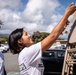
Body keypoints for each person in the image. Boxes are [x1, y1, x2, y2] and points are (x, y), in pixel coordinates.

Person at [8, 3, 76, 75]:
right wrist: (67, 14)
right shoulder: (27, 52)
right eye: (26, 34)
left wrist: (63, 26)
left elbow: (50, 42)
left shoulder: (24, 53)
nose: (29, 35)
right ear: (20, 41)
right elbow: (52, 36)